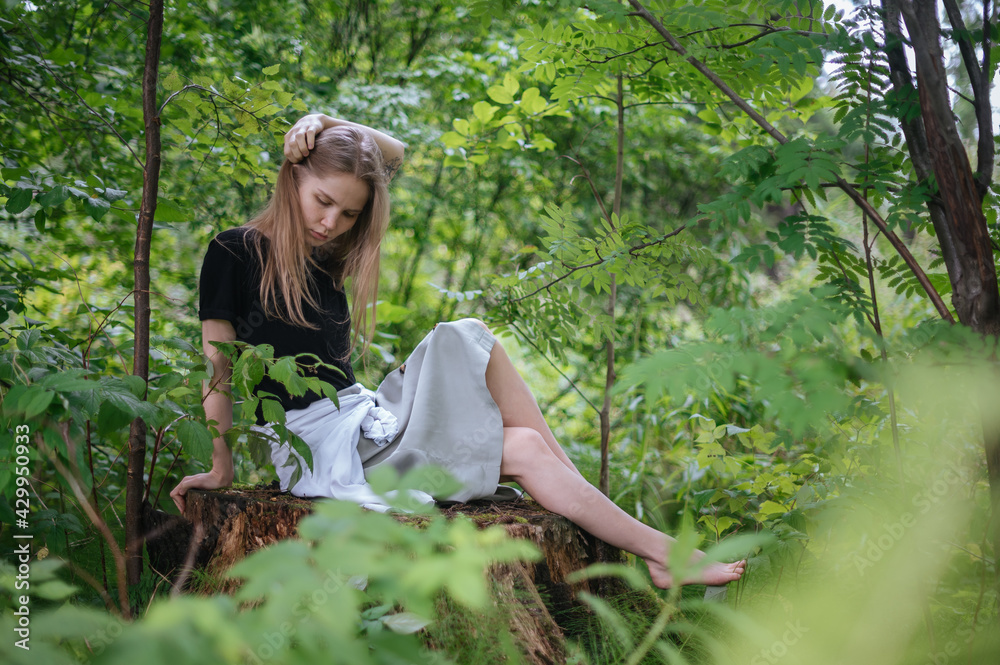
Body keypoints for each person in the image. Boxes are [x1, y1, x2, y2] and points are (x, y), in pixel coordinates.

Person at [169, 113, 746, 589]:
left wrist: (326, 122)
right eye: (323, 202)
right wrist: (221, 465)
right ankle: (660, 551)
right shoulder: (235, 252)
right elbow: (219, 367)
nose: (331, 222)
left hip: (364, 418)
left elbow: (394, 155)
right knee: (523, 449)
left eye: (349, 214)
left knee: (467, 334)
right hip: (323, 449)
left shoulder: (328, 255)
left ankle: (609, 521)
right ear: (291, 176)